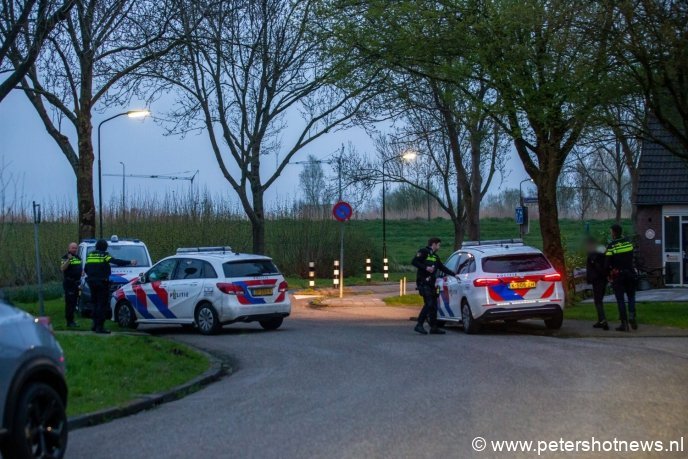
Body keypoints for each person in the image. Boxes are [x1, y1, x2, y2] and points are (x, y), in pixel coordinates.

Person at [84, 239, 137, 334]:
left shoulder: (90, 255)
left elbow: (86, 269)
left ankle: (94, 325)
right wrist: (130, 262)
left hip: (91, 282)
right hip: (101, 283)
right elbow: (115, 261)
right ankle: (100, 327)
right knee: (102, 305)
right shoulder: (104, 255)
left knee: (95, 304)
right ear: (105, 247)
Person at [411, 237, 456, 335]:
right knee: (429, 303)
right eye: (439, 245)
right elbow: (414, 261)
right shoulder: (423, 251)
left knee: (434, 305)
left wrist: (454, 274)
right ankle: (419, 324)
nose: (439, 247)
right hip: (423, 282)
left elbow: (442, 267)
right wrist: (426, 268)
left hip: (432, 283)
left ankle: (434, 327)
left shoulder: (435, 256)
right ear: (434, 244)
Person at [605, 224, 637, 332]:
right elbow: (631, 257)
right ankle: (632, 315)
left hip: (618, 275)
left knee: (620, 299)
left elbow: (607, 263)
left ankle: (624, 324)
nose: (611, 234)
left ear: (614, 233)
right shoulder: (628, 243)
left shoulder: (612, 246)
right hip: (630, 273)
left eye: (611, 232)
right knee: (631, 296)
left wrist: (609, 273)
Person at [585, 237, 608, 330]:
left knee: (598, 301)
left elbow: (595, 266)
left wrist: (592, 277)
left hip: (597, 279)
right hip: (603, 279)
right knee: (599, 300)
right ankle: (600, 320)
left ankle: (603, 320)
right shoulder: (602, 252)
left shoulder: (593, 254)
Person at [60, 242, 82, 327]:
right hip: (69, 283)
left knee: (74, 303)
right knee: (69, 303)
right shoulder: (65, 257)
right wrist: (69, 260)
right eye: (73, 248)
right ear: (69, 248)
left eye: (76, 248)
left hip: (76, 283)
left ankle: (72, 320)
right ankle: (69, 322)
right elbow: (62, 268)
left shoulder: (78, 257)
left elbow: (79, 268)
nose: (74, 249)